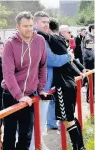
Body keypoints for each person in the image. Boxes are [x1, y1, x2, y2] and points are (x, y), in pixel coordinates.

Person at [2, 11, 47, 150]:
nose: (29, 29)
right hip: (11, 95)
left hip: (30, 95)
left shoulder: (40, 41)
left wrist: (41, 89)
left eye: (31, 25)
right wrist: (19, 96)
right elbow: (8, 73)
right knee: (9, 135)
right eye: (25, 26)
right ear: (17, 26)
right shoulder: (9, 44)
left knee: (25, 136)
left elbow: (42, 66)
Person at [30, 12, 74, 150]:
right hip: (38, 87)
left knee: (39, 121)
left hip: (43, 86)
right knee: (35, 121)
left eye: (47, 22)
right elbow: (51, 59)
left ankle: (38, 144)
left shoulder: (41, 36)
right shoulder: (37, 37)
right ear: (35, 22)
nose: (46, 25)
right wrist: (68, 56)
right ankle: (34, 145)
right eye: (43, 22)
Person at [39, 20, 86, 150]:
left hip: (63, 84)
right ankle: (80, 146)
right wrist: (80, 70)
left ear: (48, 28)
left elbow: (66, 60)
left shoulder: (53, 39)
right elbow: (70, 60)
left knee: (67, 120)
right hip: (69, 82)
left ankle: (79, 147)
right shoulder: (61, 40)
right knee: (70, 118)